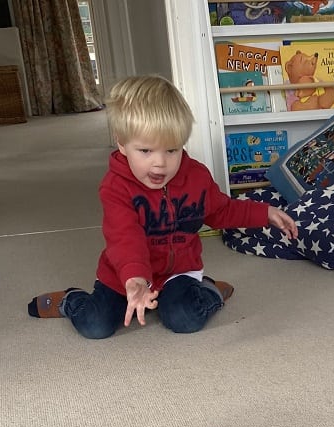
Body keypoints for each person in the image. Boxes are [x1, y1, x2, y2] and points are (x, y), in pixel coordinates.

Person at [28, 75, 298, 338]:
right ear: (122, 143)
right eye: (145, 151)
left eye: (171, 150)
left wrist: (265, 213)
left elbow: (221, 210)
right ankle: (71, 300)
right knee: (96, 326)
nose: (160, 163)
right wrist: (135, 279)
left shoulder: (196, 176)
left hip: (177, 272)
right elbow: (124, 237)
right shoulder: (115, 187)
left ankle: (209, 290)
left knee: (185, 319)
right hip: (125, 275)